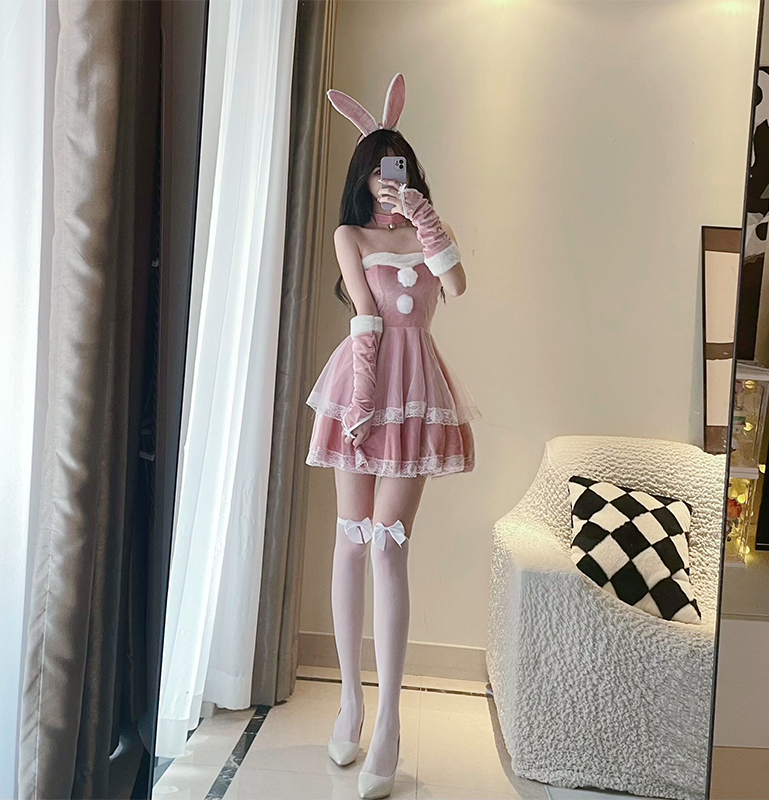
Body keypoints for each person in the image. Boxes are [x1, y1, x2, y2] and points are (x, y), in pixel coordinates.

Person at [304, 73, 482, 800]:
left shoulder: (430, 233)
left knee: (388, 545)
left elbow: (457, 286)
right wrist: (360, 398)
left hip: (416, 391)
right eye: (379, 166)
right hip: (362, 378)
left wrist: (426, 218)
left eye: (399, 164)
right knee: (351, 540)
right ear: (364, 173)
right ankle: (349, 703)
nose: (389, 176)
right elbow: (364, 314)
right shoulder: (349, 236)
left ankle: (390, 722)